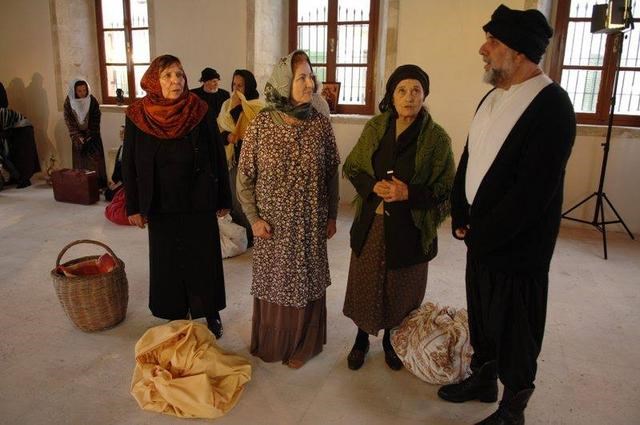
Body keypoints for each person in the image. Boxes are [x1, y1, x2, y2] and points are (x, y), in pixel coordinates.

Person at [437, 6, 576, 425]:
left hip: (518, 249)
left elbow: (532, 194)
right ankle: (484, 380)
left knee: (516, 328)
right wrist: (460, 210)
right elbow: (470, 157)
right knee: (483, 316)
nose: (483, 50)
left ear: (518, 52)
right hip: (482, 239)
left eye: (493, 42)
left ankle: (513, 410)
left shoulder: (552, 106)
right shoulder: (493, 96)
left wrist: (484, 233)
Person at [342, 65, 456, 372]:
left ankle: (393, 341)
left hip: (410, 229)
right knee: (367, 283)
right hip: (373, 223)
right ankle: (361, 339)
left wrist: (409, 193)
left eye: (416, 90)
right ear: (392, 96)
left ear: (424, 95)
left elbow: (446, 190)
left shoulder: (436, 139)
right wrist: (371, 186)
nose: (409, 97)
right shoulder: (376, 127)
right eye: (402, 91)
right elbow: (353, 166)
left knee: (399, 288)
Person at [237, 50, 340, 369]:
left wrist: (332, 215)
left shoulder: (320, 124)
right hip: (273, 226)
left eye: (311, 76)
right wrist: (253, 219)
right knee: (276, 281)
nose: (310, 83)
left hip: (309, 222)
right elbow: (244, 177)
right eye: (301, 78)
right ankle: (275, 343)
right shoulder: (262, 125)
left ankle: (304, 344)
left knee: (307, 280)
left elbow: (331, 173)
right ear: (285, 83)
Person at [122, 54, 232, 338]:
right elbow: (129, 162)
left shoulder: (198, 109)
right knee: (167, 260)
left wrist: (223, 198)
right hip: (160, 201)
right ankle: (174, 313)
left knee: (203, 257)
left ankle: (210, 311)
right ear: (154, 81)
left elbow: (217, 155)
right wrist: (133, 206)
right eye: (168, 75)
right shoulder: (138, 114)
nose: (176, 81)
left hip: (198, 197)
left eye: (180, 75)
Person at [217, 69, 264, 244]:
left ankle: (254, 234)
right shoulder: (226, 104)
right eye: (234, 85)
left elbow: (254, 131)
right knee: (235, 200)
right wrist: (227, 137)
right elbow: (219, 129)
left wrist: (238, 107)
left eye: (240, 86)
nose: (236, 89)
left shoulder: (258, 107)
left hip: (252, 161)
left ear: (249, 86)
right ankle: (243, 235)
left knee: (250, 199)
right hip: (233, 159)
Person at [63, 79, 107, 188]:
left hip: (92, 135)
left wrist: (89, 134)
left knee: (95, 162)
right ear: (74, 91)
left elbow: (96, 118)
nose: (83, 93)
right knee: (80, 162)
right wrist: (77, 136)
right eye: (79, 91)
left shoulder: (92, 100)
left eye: (84, 90)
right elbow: (69, 120)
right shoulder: (69, 102)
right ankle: (82, 186)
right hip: (78, 137)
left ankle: (97, 186)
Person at [0, 82, 39, 188]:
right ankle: (16, 177)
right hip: (11, 128)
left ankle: (24, 179)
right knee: (11, 154)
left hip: (23, 128)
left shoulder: (2, 112)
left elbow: (3, 101)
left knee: (23, 155)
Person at [191, 67, 230, 133]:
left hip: (220, 132)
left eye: (217, 81)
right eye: (214, 81)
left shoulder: (225, 94)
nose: (217, 84)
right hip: (201, 132)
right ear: (205, 82)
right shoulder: (194, 95)